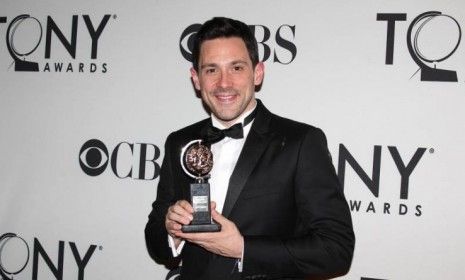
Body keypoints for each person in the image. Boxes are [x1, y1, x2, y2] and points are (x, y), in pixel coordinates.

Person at [145, 17, 355, 280]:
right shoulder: (179, 142)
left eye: (236, 68)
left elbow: (336, 250)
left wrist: (243, 248)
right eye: (211, 70)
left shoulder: (301, 142)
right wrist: (171, 230)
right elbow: (155, 243)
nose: (224, 83)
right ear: (196, 79)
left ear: (257, 73)